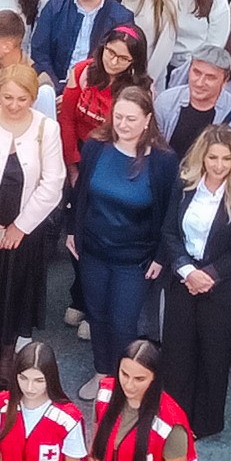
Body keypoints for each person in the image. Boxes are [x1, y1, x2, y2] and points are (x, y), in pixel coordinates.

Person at [159, 124, 231, 442]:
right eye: (213, 157)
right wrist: (186, 270)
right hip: (183, 281)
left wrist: (208, 276)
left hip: (225, 289)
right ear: (202, 156)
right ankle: (171, 420)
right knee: (176, 355)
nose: (219, 165)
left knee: (213, 358)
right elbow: (169, 233)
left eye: (226, 159)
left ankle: (203, 424)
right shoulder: (185, 184)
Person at [69, 85, 177, 371]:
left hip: (135, 260)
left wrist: (161, 256)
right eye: (118, 117)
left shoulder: (164, 161)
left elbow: (170, 213)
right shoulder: (95, 145)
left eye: (131, 119)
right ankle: (103, 373)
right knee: (97, 316)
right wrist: (72, 231)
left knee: (122, 323)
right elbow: (80, 194)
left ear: (147, 119)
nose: (123, 124)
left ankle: (123, 380)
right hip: (93, 251)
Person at [0, 60, 64, 347]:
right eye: (8, 97)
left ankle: (8, 355)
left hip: (25, 230)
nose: (15, 105)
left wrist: (20, 227)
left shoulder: (48, 128)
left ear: (33, 98)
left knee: (17, 291)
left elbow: (52, 182)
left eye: (23, 99)